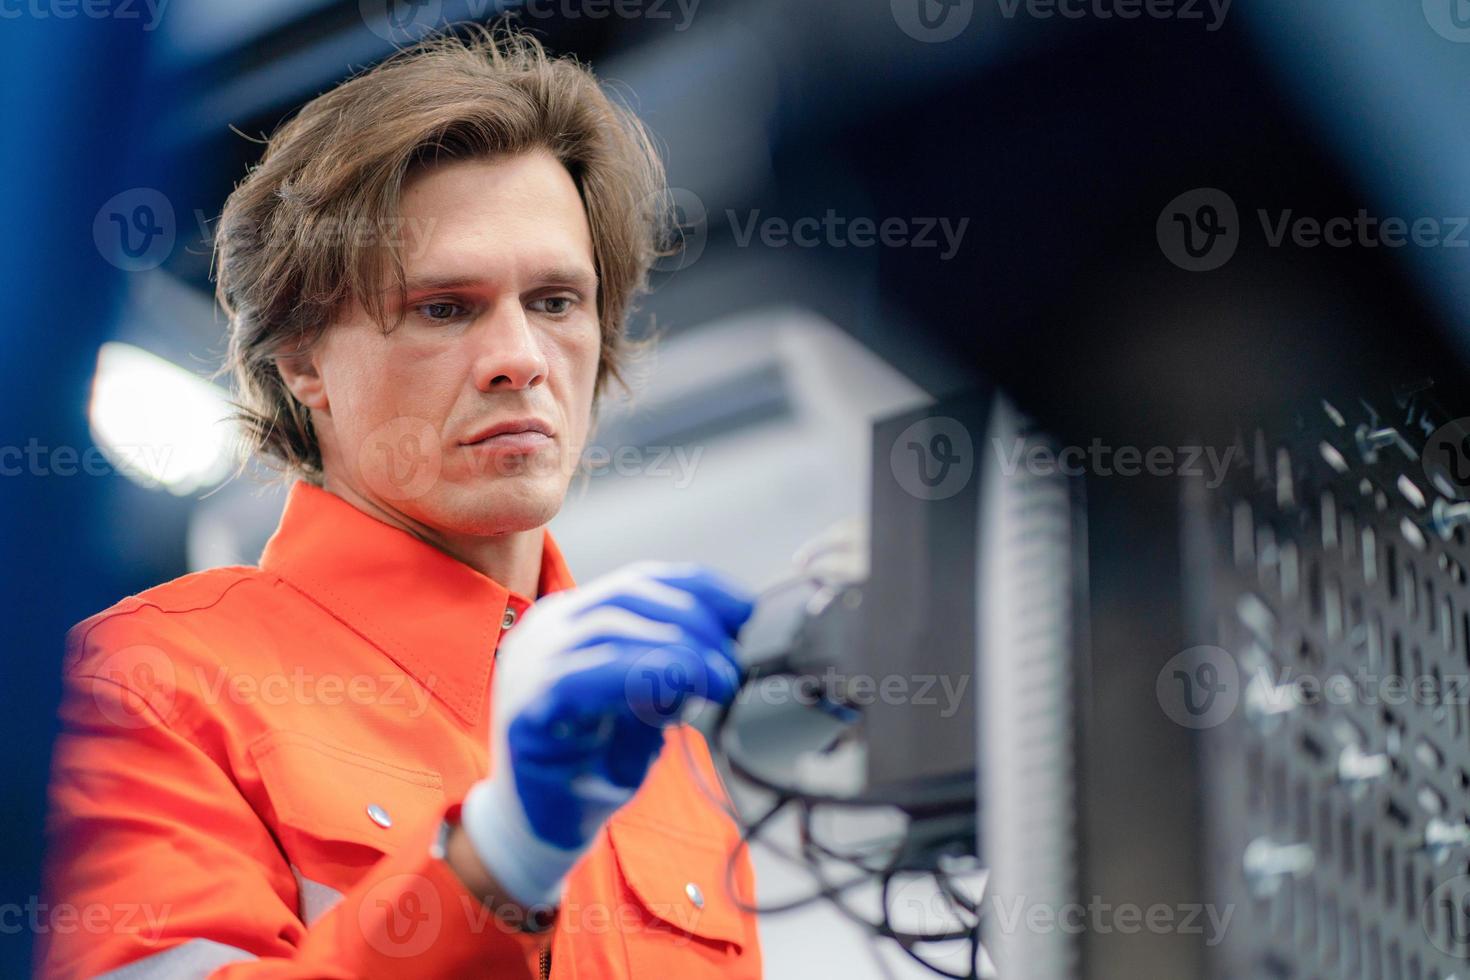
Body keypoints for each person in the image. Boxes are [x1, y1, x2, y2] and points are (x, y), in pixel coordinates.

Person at [38, 22, 763, 979]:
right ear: (301, 358)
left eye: (555, 302)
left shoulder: (666, 759)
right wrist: (495, 862)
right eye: (443, 308)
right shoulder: (146, 684)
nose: (519, 360)